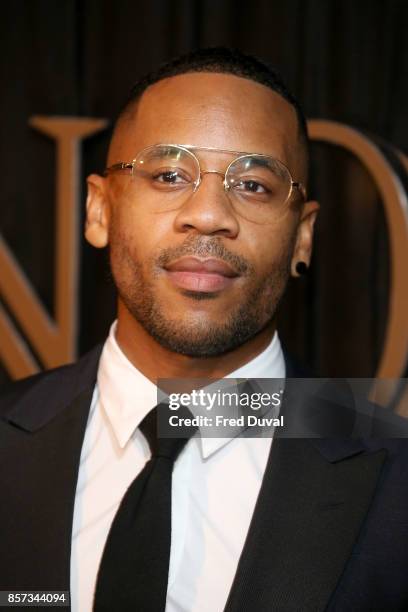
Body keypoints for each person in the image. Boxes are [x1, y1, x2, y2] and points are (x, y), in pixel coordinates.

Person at [1, 47, 408, 612]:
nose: (210, 213)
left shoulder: (395, 479)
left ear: (303, 237)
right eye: (169, 174)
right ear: (99, 210)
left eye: (254, 185)